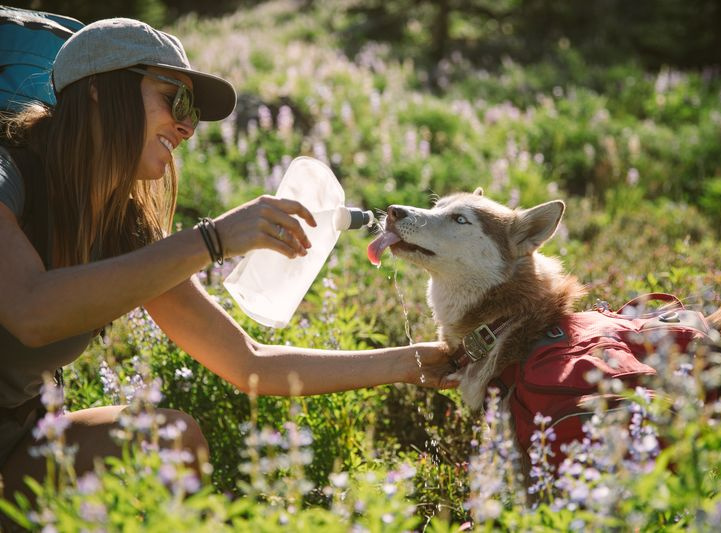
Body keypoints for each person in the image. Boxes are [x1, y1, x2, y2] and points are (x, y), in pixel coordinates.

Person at [0, 18, 455, 498]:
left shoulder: (122, 227)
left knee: (173, 440)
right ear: (98, 88)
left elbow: (249, 363)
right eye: (174, 99)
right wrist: (212, 240)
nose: (186, 128)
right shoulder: (9, 177)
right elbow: (31, 311)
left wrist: (412, 362)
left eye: (193, 113)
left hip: (20, 442)